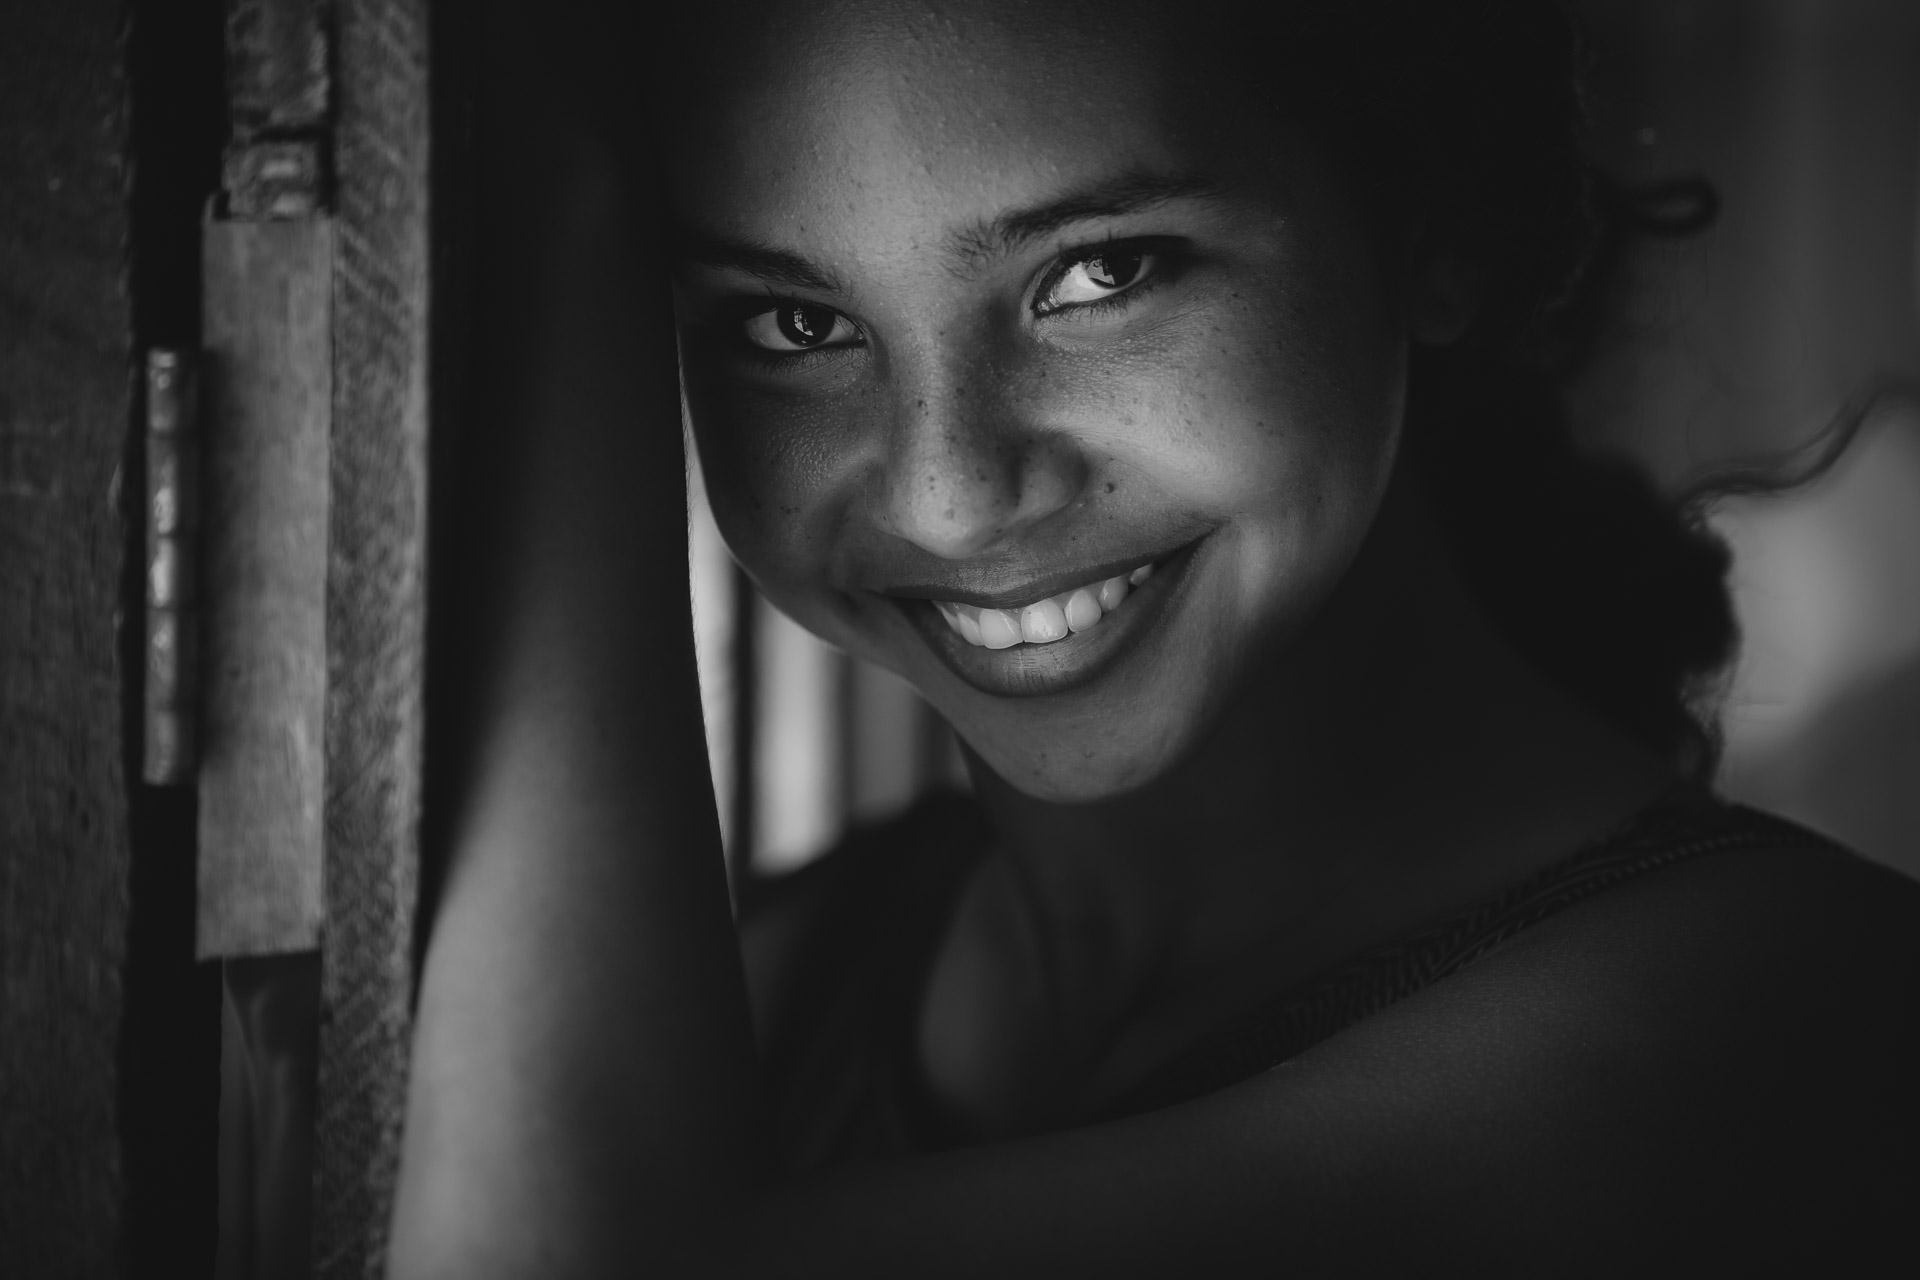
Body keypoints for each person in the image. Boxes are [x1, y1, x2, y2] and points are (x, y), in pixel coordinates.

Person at [389, 1, 1920, 1273]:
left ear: (1434, 221)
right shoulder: (802, 973)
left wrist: (559, 176)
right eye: (793, 326)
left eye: (1100, 273)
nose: (950, 494)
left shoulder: (1804, 1034)